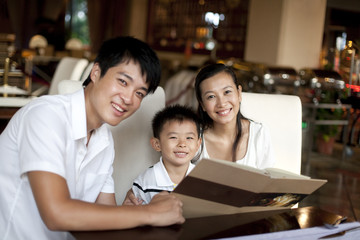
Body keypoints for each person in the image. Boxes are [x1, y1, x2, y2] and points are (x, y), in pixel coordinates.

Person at [0, 36, 184, 240]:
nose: (128, 99)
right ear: (96, 72)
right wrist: (150, 213)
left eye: (139, 93)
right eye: (123, 81)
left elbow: (106, 214)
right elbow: (56, 214)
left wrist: (131, 211)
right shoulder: (45, 116)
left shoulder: (104, 140)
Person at [194, 63, 275, 169]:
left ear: (239, 93)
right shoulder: (193, 138)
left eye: (227, 92)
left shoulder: (258, 134)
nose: (222, 103)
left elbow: (269, 181)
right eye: (211, 96)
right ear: (202, 104)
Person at [131, 104, 201, 204]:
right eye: (173, 137)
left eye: (189, 138)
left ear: (198, 144)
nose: (182, 144)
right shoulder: (145, 181)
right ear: (157, 144)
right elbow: (137, 216)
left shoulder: (202, 178)